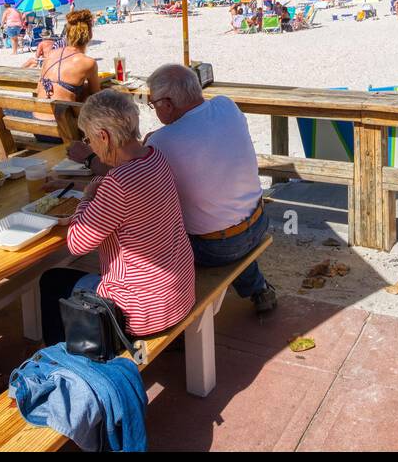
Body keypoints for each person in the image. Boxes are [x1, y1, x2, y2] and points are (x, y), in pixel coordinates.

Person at [41, 89, 194, 344]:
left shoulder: (118, 183)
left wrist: (87, 198)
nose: (90, 146)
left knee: (51, 281)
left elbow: (77, 244)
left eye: (90, 139)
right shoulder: (155, 158)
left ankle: (66, 364)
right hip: (177, 295)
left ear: (104, 136)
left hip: (140, 312)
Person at [138, 64, 275, 312]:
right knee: (220, 209)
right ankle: (259, 289)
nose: (154, 108)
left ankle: (172, 311)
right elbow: (201, 131)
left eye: (153, 103)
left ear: (167, 104)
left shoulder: (162, 142)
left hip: (215, 249)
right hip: (259, 221)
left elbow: (137, 180)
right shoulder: (227, 106)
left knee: (153, 234)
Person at [36, 9, 100, 105]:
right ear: (90, 34)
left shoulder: (50, 54)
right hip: (60, 119)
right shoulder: (88, 62)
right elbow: (96, 94)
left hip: (37, 114)